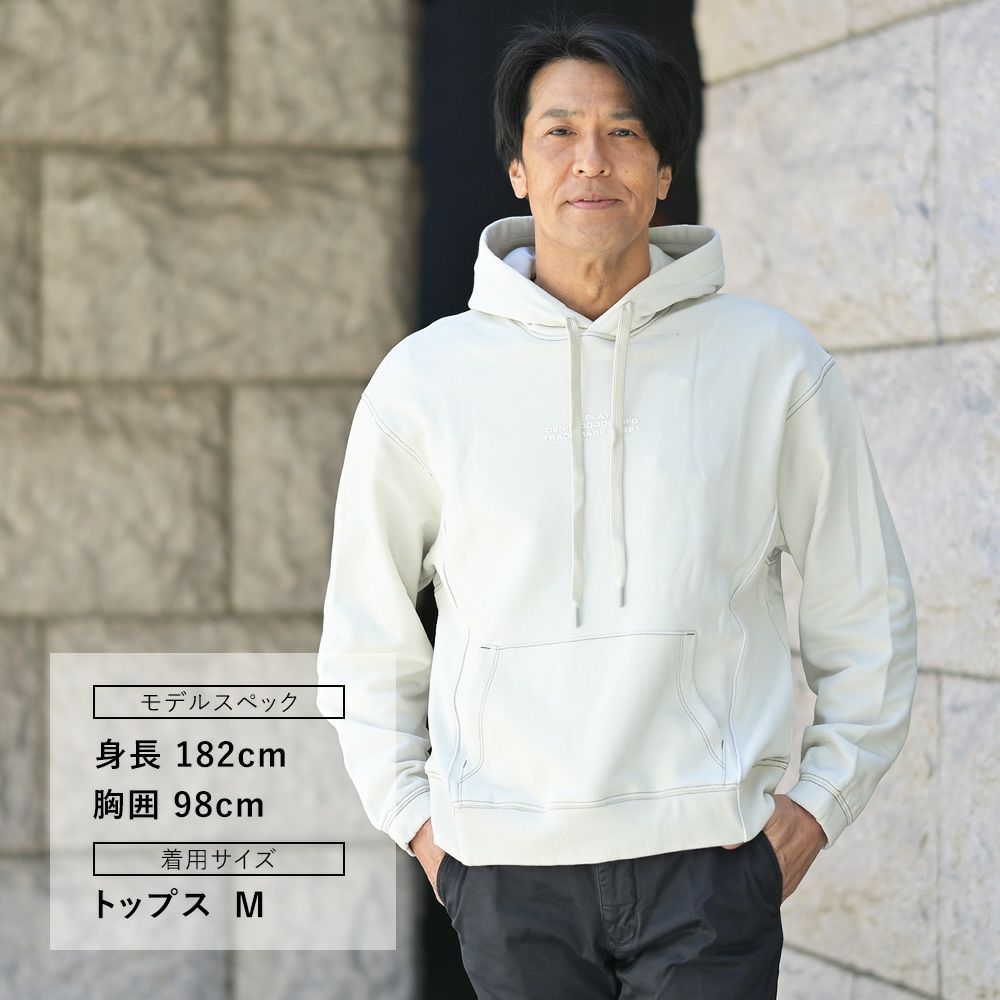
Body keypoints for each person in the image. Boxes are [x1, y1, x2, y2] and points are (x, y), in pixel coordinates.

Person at [316, 12, 918, 998]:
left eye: (624, 131)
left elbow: (866, 609)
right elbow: (364, 639)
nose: (590, 159)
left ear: (664, 170)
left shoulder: (772, 363)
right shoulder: (422, 384)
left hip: (710, 870)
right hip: (506, 875)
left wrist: (815, 809)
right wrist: (424, 830)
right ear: (518, 168)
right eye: (559, 131)